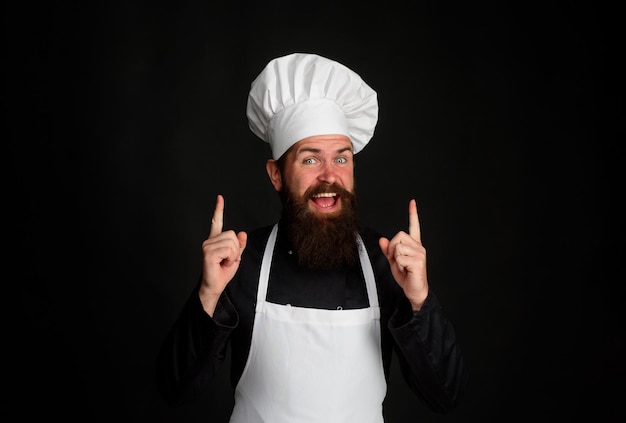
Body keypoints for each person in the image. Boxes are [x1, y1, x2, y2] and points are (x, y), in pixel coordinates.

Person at [156, 52, 467, 422]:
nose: (328, 176)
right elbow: (175, 390)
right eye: (309, 159)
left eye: (341, 158)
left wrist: (419, 299)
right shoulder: (240, 261)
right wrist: (207, 296)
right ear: (276, 174)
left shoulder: (387, 263)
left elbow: (445, 396)